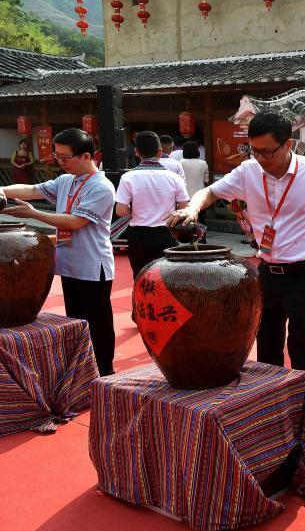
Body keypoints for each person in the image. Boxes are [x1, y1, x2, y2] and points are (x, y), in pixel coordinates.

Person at [166, 112, 305, 393]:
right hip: (267, 272)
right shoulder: (248, 171)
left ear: (288, 145)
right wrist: (192, 208)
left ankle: (304, 403)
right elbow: (210, 193)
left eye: (267, 152)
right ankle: (270, 402)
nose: (261, 158)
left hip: (304, 272)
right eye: (254, 151)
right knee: (267, 342)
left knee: (302, 344)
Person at [0, 128, 116, 375]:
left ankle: (105, 371)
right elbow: (33, 190)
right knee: (76, 321)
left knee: (98, 324)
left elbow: (75, 222)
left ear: (87, 156)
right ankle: (83, 371)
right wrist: (4, 190)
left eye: (66, 157)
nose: (61, 163)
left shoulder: (102, 187)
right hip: (69, 263)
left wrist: (33, 214)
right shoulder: (66, 180)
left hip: (92, 266)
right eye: (58, 157)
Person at [115, 131, 189, 278]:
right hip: (166, 232)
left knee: (141, 277)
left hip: (138, 235)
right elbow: (184, 207)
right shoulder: (174, 178)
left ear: (136, 152)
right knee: (169, 278)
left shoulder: (128, 177)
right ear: (160, 152)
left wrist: (133, 210)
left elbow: (121, 211)